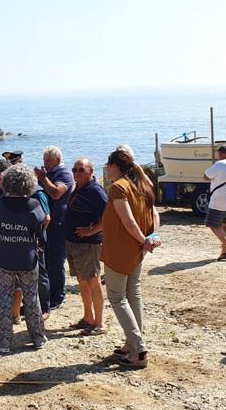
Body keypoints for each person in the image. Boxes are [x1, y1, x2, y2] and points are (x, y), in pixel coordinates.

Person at [101, 148, 159, 369]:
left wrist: (144, 240)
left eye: (107, 166)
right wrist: (150, 238)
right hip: (136, 249)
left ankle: (138, 349)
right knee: (133, 295)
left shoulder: (119, 187)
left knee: (117, 298)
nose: (106, 170)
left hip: (121, 250)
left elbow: (128, 222)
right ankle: (131, 342)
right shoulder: (141, 185)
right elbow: (154, 214)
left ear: (115, 167)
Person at [0, 164, 48, 353]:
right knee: (31, 298)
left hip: (2, 257)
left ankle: (3, 342)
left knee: (4, 299)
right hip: (26, 258)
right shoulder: (34, 205)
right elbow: (39, 230)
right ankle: (38, 338)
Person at [64, 158, 108, 334]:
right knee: (82, 281)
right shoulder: (80, 188)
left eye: (81, 170)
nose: (77, 173)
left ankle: (100, 323)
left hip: (88, 245)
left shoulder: (96, 191)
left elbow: (109, 216)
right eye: (74, 170)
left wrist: (92, 231)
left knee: (93, 281)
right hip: (74, 243)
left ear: (91, 171)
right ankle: (88, 317)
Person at [34, 146, 74, 311]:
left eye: (49, 160)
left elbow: (56, 193)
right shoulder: (49, 174)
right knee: (47, 260)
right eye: (44, 160)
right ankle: (48, 294)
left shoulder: (64, 174)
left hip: (59, 224)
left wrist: (43, 178)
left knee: (56, 261)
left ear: (58, 160)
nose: (46, 163)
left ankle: (58, 296)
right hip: (48, 224)